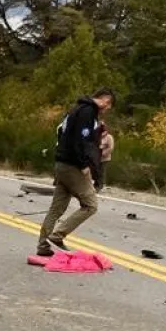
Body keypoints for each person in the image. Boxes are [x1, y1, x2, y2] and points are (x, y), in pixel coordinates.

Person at [37, 88, 116, 257]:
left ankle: (43, 246)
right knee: (90, 205)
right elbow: (79, 141)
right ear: (104, 100)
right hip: (73, 166)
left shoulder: (76, 109)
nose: (107, 109)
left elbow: (62, 133)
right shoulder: (88, 112)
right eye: (108, 105)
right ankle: (57, 235)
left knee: (56, 209)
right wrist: (84, 165)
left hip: (61, 164)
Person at [98, 123, 114, 191]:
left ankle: (103, 185)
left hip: (105, 158)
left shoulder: (109, 137)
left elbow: (111, 147)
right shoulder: (98, 136)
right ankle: (97, 184)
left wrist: (103, 153)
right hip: (96, 157)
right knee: (96, 171)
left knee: (102, 171)